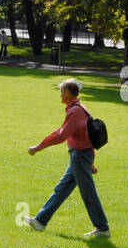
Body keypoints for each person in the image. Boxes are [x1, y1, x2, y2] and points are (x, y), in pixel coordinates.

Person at [25, 79, 110, 238]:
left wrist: (38, 147)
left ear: (68, 93)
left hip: (80, 157)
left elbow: (61, 135)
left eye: (61, 91)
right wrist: (91, 161)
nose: (60, 95)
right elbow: (87, 135)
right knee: (62, 189)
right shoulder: (79, 108)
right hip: (80, 156)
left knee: (88, 193)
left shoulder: (75, 111)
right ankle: (40, 221)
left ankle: (103, 228)